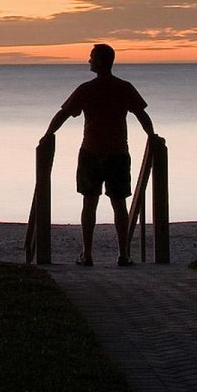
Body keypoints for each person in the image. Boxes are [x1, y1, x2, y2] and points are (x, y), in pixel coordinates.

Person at [41, 43, 154, 266]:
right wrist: (152, 135)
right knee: (119, 204)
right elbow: (142, 115)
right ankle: (123, 254)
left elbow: (63, 114)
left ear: (101, 61)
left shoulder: (87, 89)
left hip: (92, 153)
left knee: (90, 203)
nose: (88, 60)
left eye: (91, 57)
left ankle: (88, 254)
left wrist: (48, 134)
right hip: (118, 152)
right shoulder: (123, 87)